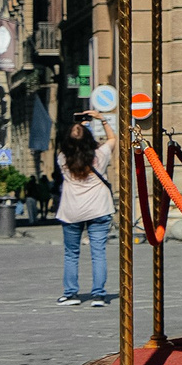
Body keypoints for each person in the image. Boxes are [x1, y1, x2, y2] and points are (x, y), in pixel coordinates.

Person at [55, 121, 114, 307]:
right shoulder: (100, 155)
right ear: (89, 138)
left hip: (71, 211)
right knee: (98, 253)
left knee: (71, 253)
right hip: (99, 209)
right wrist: (101, 119)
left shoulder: (63, 158)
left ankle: (71, 294)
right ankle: (98, 295)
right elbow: (113, 139)